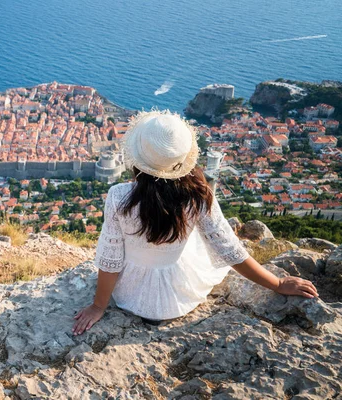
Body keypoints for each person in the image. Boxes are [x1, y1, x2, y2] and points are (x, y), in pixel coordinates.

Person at [72, 110, 318, 335]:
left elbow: (111, 260)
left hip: (129, 295)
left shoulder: (119, 196)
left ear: (137, 158)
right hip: (180, 295)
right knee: (201, 237)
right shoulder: (199, 195)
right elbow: (229, 249)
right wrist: (277, 283)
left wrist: (98, 306)